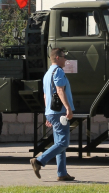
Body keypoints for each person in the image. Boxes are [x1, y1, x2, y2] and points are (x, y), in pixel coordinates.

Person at [30, 48, 75, 181]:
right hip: (60, 112)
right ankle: (38, 161)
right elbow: (60, 90)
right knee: (63, 143)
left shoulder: (48, 73)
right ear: (57, 58)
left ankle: (62, 173)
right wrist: (68, 108)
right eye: (63, 57)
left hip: (52, 112)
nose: (65, 59)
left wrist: (47, 114)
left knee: (58, 142)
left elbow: (45, 96)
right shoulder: (59, 71)